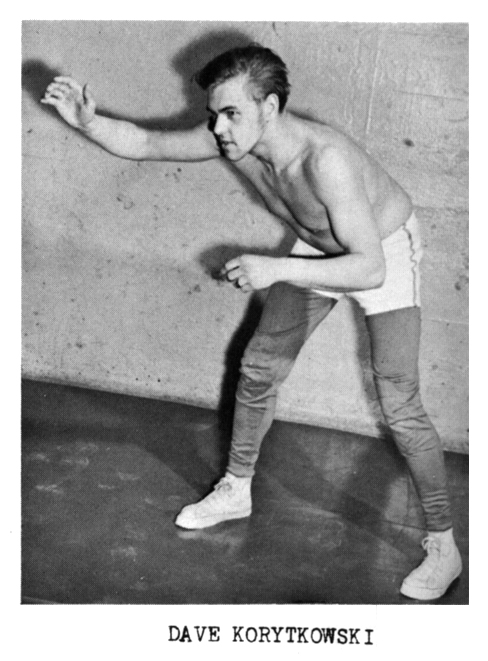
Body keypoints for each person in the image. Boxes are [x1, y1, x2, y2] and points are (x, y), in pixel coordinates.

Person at [41, 44, 462, 601]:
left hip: (380, 252)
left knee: (400, 404)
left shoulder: (325, 161)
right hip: (319, 251)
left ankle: (444, 544)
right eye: (214, 113)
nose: (218, 127)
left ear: (269, 107)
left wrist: (275, 267)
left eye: (231, 113)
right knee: (260, 367)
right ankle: (236, 489)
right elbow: (145, 143)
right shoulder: (234, 140)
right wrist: (88, 122)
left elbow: (368, 268)